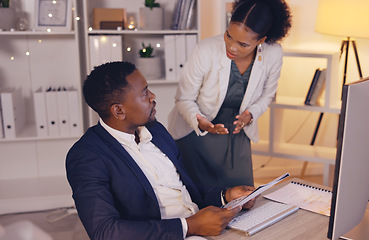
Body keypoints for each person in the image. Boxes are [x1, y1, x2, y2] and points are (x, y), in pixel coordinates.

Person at [66, 61, 256, 240]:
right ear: (118, 111)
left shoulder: (156, 131)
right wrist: (189, 226)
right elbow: (105, 231)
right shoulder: (86, 157)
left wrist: (226, 196)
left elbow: (185, 191)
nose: (153, 97)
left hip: (204, 230)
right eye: (144, 93)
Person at [168, 0, 292, 188]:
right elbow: (184, 98)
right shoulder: (206, 49)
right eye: (229, 36)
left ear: (261, 41)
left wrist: (250, 114)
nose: (232, 47)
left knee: (242, 200)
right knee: (200, 200)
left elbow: (267, 96)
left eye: (242, 44)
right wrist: (199, 120)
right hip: (198, 133)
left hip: (237, 134)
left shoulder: (273, 54)